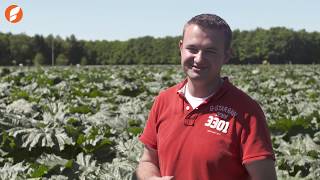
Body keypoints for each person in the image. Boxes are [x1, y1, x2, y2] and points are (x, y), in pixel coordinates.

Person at [136, 13, 277, 180]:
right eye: (192, 49)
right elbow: (148, 160)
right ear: (181, 47)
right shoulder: (163, 100)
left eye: (210, 51)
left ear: (226, 55)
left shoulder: (246, 111)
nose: (199, 59)